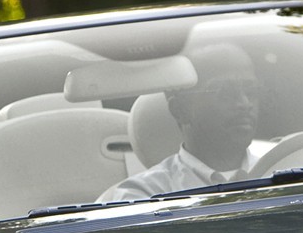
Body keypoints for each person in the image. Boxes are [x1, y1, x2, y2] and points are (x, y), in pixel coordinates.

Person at [99, 44, 264, 202]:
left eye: (251, 91)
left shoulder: (283, 172)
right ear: (180, 109)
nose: (244, 103)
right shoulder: (146, 195)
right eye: (225, 93)